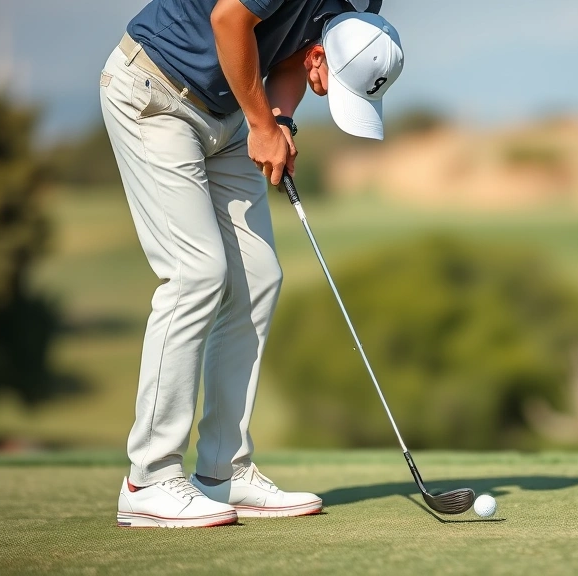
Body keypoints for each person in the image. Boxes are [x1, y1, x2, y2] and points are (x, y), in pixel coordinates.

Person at [100, 0, 404, 528]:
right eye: (333, 80)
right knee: (196, 273)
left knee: (260, 277)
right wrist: (263, 124)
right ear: (320, 59)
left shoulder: (363, 5)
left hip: (228, 111)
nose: (328, 93)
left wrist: (280, 119)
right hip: (155, 91)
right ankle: (147, 478)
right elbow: (229, 20)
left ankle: (222, 471)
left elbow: (292, 50)